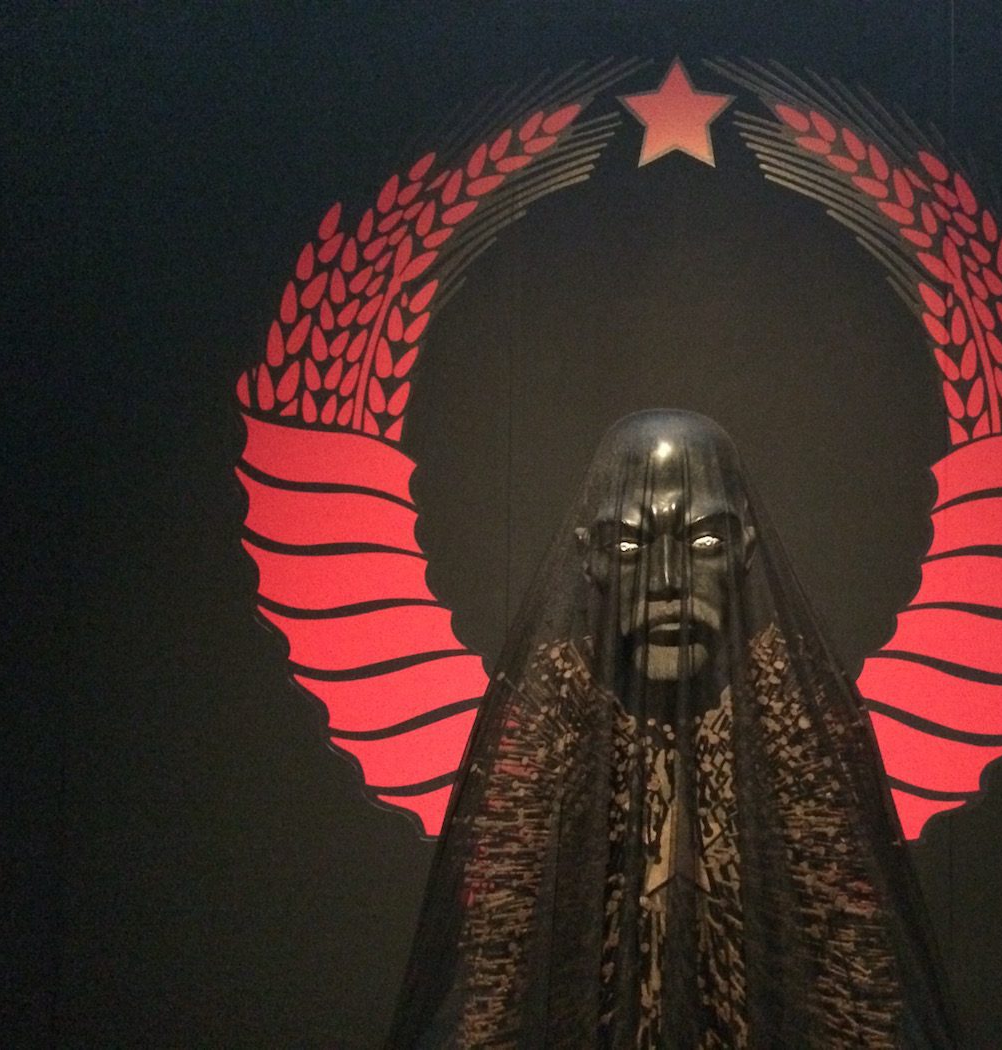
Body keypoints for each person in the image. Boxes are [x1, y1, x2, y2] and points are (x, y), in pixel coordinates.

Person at [387, 409, 955, 1049]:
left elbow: (856, 966)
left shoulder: (802, 733)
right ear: (589, 558)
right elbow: (496, 969)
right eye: (628, 546)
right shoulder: (548, 731)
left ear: (745, 549)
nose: (665, 581)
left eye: (704, 541)